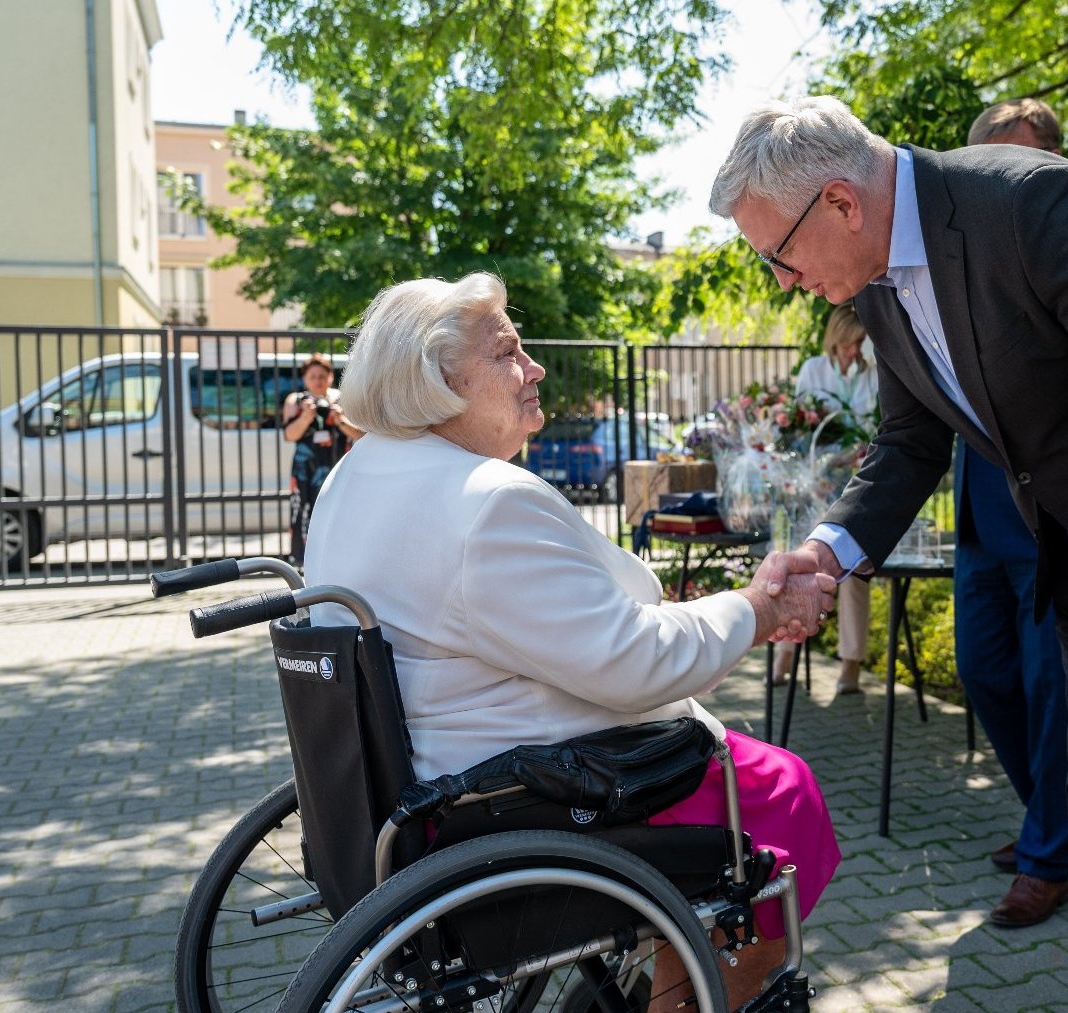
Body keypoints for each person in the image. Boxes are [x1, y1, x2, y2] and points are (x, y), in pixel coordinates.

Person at [709, 98, 1068, 1011]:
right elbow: (907, 448)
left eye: (777, 253)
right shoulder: (874, 278)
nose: (781, 279)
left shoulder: (1038, 206)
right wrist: (826, 555)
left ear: (840, 202)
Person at [302, 272, 843, 1011]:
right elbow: (637, 664)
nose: (535, 368)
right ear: (438, 379)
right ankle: (701, 990)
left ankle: (664, 969)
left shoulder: (355, 477)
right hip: (525, 797)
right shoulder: (486, 503)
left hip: (414, 788)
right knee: (783, 788)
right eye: (508, 353)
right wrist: (755, 608)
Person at [951, 98, 1068, 929]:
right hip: (977, 520)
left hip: (1055, 521)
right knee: (985, 673)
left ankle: (1051, 854)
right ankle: (1057, 820)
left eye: (1015, 166)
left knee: (1052, 687)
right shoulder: (953, 268)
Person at [774, 304, 876, 694]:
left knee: (854, 574)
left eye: (861, 345)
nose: (856, 352)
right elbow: (799, 432)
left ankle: (851, 663)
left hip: (858, 485)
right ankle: (785, 650)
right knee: (800, 563)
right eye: (852, 344)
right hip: (816, 486)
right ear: (837, 338)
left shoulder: (874, 375)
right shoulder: (813, 370)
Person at [281, 353, 363, 565]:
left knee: (339, 511)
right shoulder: (296, 401)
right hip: (305, 468)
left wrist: (341, 421)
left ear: (329, 377)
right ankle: (303, 561)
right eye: (312, 376)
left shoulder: (342, 399)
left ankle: (339, 559)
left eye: (322, 375)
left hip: (337, 465)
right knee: (304, 511)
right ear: (305, 379)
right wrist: (306, 416)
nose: (317, 380)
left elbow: (361, 436)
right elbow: (289, 435)